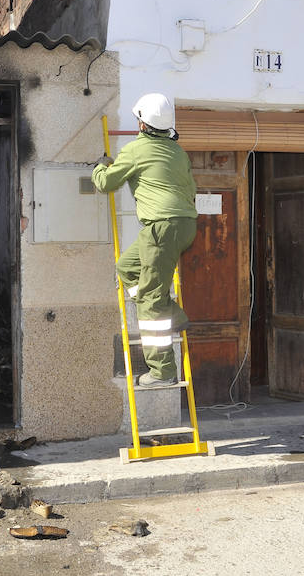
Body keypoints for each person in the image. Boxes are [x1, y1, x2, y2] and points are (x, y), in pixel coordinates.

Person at [92, 93, 197, 388]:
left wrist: (101, 165)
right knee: (127, 268)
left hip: (160, 229)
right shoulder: (179, 153)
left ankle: (162, 371)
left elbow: (106, 183)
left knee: (149, 303)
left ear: (141, 124)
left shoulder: (136, 150)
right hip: (184, 226)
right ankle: (173, 312)